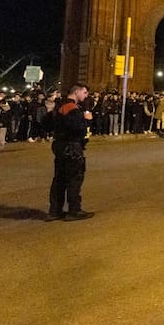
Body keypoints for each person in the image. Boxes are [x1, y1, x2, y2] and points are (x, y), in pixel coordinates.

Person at [46, 82, 95, 222]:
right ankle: (74, 210)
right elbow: (78, 127)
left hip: (60, 145)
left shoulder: (59, 106)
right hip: (71, 146)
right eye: (84, 92)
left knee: (59, 179)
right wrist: (87, 120)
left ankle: (55, 211)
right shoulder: (71, 107)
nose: (86, 95)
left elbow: (47, 125)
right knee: (74, 178)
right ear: (76, 92)